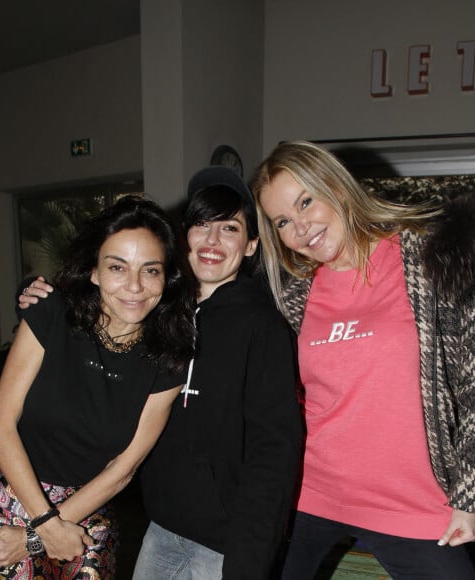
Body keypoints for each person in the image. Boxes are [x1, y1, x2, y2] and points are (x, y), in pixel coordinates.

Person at [19, 166, 304, 580]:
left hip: (226, 546)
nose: (212, 241)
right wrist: (32, 294)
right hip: (161, 529)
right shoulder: (157, 307)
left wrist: (249, 561)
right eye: (201, 225)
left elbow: (274, 456)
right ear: (182, 235)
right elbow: (89, 319)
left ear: (250, 246)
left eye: (229, 228)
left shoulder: (263, 329)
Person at [250, 139, 475, 579]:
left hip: (410, 502)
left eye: (306, 201)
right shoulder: (295, 294)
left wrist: (471, 498)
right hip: (308, 493)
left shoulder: (430, 260)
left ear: (338, 188)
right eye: (284, 221)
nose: (301, 227)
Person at [0, 194, 195, 579]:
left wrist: (38, 536)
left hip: (88, 508)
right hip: (15, 494)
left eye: (150, 270)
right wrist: (45, 528)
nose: (135, 286)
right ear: (94, 271)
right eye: (117, 267)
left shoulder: (169, 358)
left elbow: (124, 467)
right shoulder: (51, 315)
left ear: (166, 278)